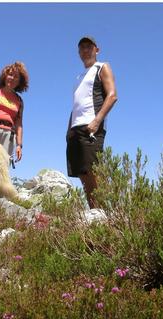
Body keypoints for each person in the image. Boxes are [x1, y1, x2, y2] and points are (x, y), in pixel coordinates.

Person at [66, 36, 118, 209]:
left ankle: (104, 213)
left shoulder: (102, 67)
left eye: (89, 46)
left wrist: (96, 121)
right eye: (81, 48)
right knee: (81, 172)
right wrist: (69, 130)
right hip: (75, 129)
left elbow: (112, 96)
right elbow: (76, 105)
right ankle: (94, 212)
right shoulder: (78, 77)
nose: (85, 50)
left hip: (92, 126)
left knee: (94, 171)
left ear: (97, 49)